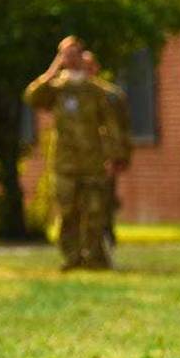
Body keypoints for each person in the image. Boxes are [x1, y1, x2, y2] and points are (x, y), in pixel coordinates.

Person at [23, 37, 127, 271]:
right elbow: (32, 97)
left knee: (94, 211)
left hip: (92, 160)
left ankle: (94, 257)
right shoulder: (56, 89)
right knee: (67, 211)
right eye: (65, 54)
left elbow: (111, 126)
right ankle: (71, 257)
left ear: (82, 56)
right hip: (64, 162)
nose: (71, 58)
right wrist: (53, 70)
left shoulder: (95, 90)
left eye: (74, 54)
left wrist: (116, 156)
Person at [81, 51, 132, 246]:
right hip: (78, 158)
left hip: (104, 157)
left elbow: (122, 129)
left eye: (87, 67)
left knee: (104, 202)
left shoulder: (111, 95)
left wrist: (120, 157)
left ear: (95, 68)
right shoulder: (69, 93)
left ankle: (105, 240)